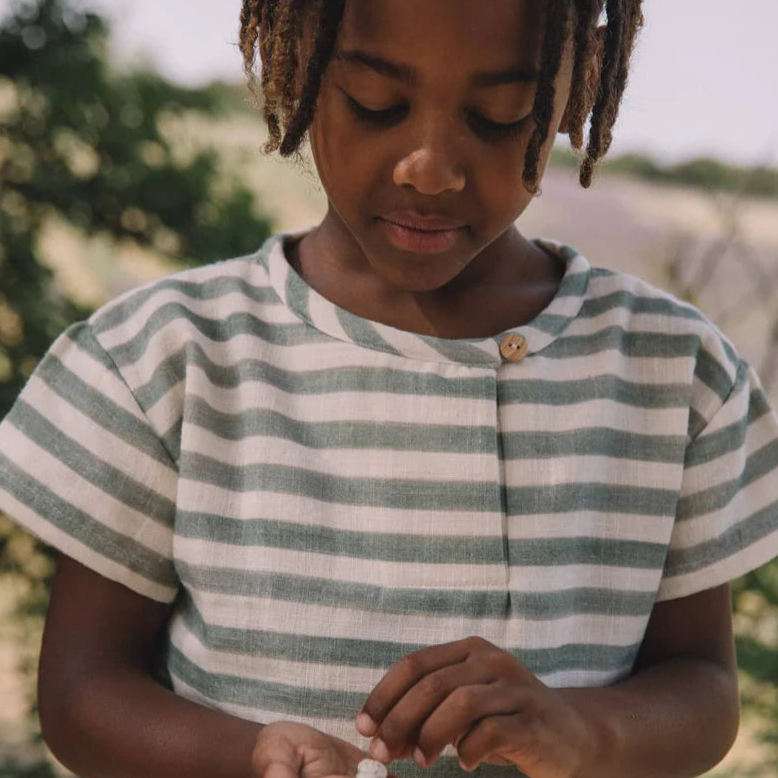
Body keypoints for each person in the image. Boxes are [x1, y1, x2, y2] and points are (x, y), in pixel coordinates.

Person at [1, 1, 777, 777]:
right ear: (292, 58)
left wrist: (582, 730)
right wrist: (250, 756)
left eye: (499, 115)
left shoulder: (674, 377)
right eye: (376, 103)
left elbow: (703, 689)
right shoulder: (163, 360)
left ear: (586, 81)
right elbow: (81, 693)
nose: (430, 167)